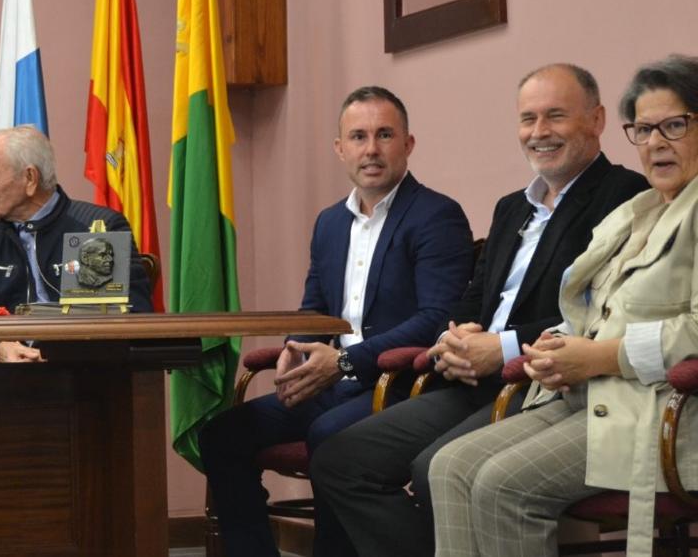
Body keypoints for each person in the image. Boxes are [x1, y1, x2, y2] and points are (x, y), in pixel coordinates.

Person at [311, 65, 647, 557]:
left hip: (541, 381)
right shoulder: (513, 206)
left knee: (436, 467)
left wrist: (502, 346)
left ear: (596, 120)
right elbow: (475, 296)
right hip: (471, 378)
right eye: (528, 119)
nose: (540, 132)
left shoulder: (622, 195)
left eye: (556, 116)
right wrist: (455, 337)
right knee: (341, 459)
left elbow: (597, 312)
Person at [428, 54, 698, 557]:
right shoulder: (638, 212)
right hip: (594, 393)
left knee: (502, 485)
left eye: (674, 126)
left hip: (667, 412)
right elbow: (594, 307)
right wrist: (559, 344)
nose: (656, 143)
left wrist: (598, 356)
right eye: (643, 129)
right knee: (449, 466)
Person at [200, 86, 474, 557]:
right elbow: (315, 309)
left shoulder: (436, 216)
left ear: (408, 145)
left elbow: (436, 319)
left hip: (400, 384)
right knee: (221, 434)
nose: (371, 149)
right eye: (359, 136)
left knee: (330, 438)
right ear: (339, 148)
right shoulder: (330, 222)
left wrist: (344, 362)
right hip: (332, 381)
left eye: (385, 135)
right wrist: (295, 347)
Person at [0, 125, 152, 363]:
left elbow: (136, 315)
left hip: (84, 374)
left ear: (30, 178)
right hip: (6, 381)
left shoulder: (98, 227)